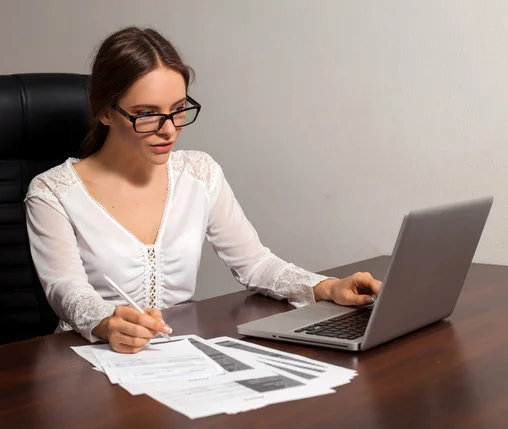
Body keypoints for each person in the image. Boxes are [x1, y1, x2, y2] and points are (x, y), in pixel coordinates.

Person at [25, 26, 382, 354]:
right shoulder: (52, 192)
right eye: (147, 113)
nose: (169, 130)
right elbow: (66, 289)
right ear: (105, 112)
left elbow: (255, 263)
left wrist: (327, 288)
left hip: (176, 355)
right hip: (88, 361)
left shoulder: (199, 173)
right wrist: (105, 323)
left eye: (179, 110)